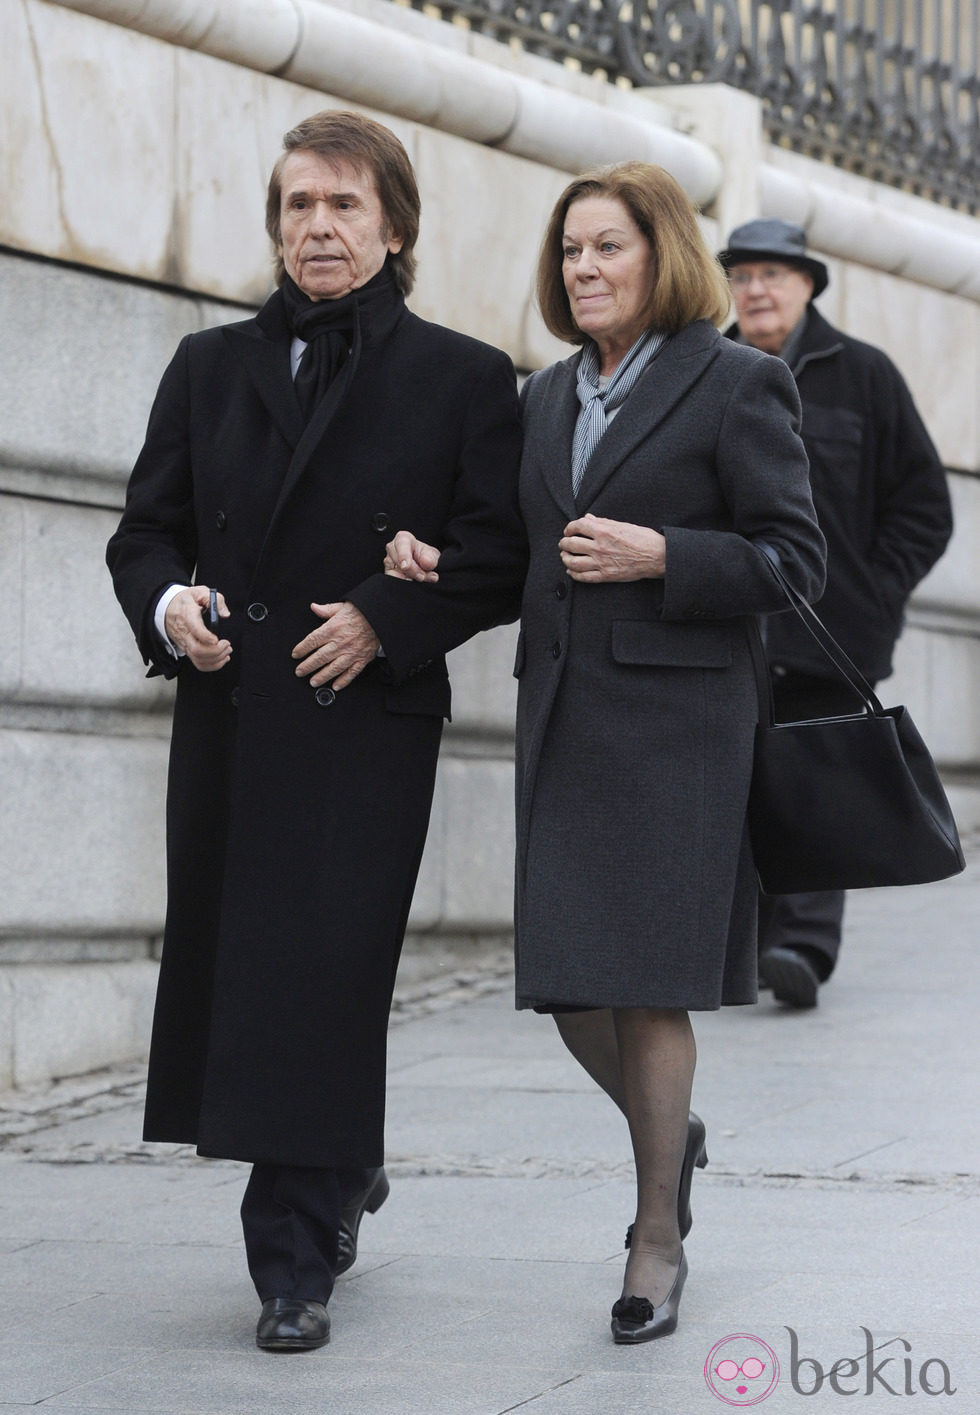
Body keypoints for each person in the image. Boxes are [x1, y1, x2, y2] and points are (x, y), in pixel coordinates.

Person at [106, 109, 527, 1353]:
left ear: (392, 226)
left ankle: (292, 1261)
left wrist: (388, 614)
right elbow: (145, 532)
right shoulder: (207, 365)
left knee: (324, 979)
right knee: (248, 977)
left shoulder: (462, 374)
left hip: (363, 726)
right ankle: (334, 1172)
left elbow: (498, 553)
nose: (319, 227)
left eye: (343, 205)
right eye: (298, 205)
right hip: (232, 715)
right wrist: (171, 603)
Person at [384, 162, 826, 1343]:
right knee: (572, 986)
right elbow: (522, 560)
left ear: (659, 255)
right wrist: (441, 568)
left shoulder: (739, 383)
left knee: (647, 984)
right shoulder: (539, 400)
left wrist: (666, 556)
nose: (582, 268)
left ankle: (654, 1237)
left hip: (682, 730)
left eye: (606, 248)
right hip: (567, 721)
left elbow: (794, 561)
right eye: (569, 250)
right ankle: (665, 1136)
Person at [719, 219, 953, 1008]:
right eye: (743, 274)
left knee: (819, 781)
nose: (756, 289)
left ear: (809, 284)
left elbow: (924, 505)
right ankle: (744, 945)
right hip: (730, 623)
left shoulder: (866, 375)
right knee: (735, 782)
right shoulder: (703, 367)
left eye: (772, 275)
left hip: (833, 629)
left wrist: (873, 591)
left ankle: (803, 947)